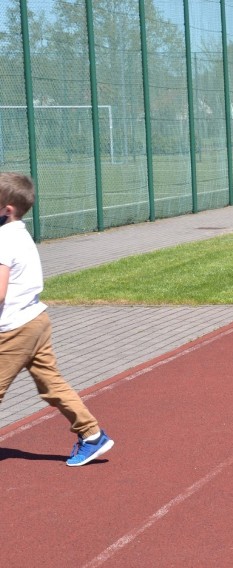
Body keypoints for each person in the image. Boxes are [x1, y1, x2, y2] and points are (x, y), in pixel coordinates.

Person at [0, 172, 115, 466]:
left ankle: (92, 435)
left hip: (14, 329)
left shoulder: (3, 239)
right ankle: (92, 436)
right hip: (36, 320)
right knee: (52, 385)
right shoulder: (20, 234)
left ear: (7, 209)